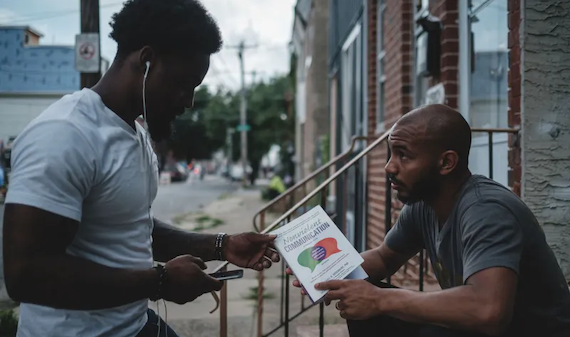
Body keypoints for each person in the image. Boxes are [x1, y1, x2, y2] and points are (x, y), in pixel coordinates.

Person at [2, 1, 280, 336]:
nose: (188, 101)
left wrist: (220, 244)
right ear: (147, 61)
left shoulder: (134, 132)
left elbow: (134, 227)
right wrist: (160, 281)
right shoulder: (65, 134)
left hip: (134, 325)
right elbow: (26, 275)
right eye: (184, 83)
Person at [287, 104, 570, 337]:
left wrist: (380, 300)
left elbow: (488, 310)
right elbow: (385, 258)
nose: (389, 166)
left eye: (403, 155)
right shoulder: (425, 203)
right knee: (367, 306)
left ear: (446, 163)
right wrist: (326, 272)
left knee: (384, 305)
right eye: (390, 153)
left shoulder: (487, 211)